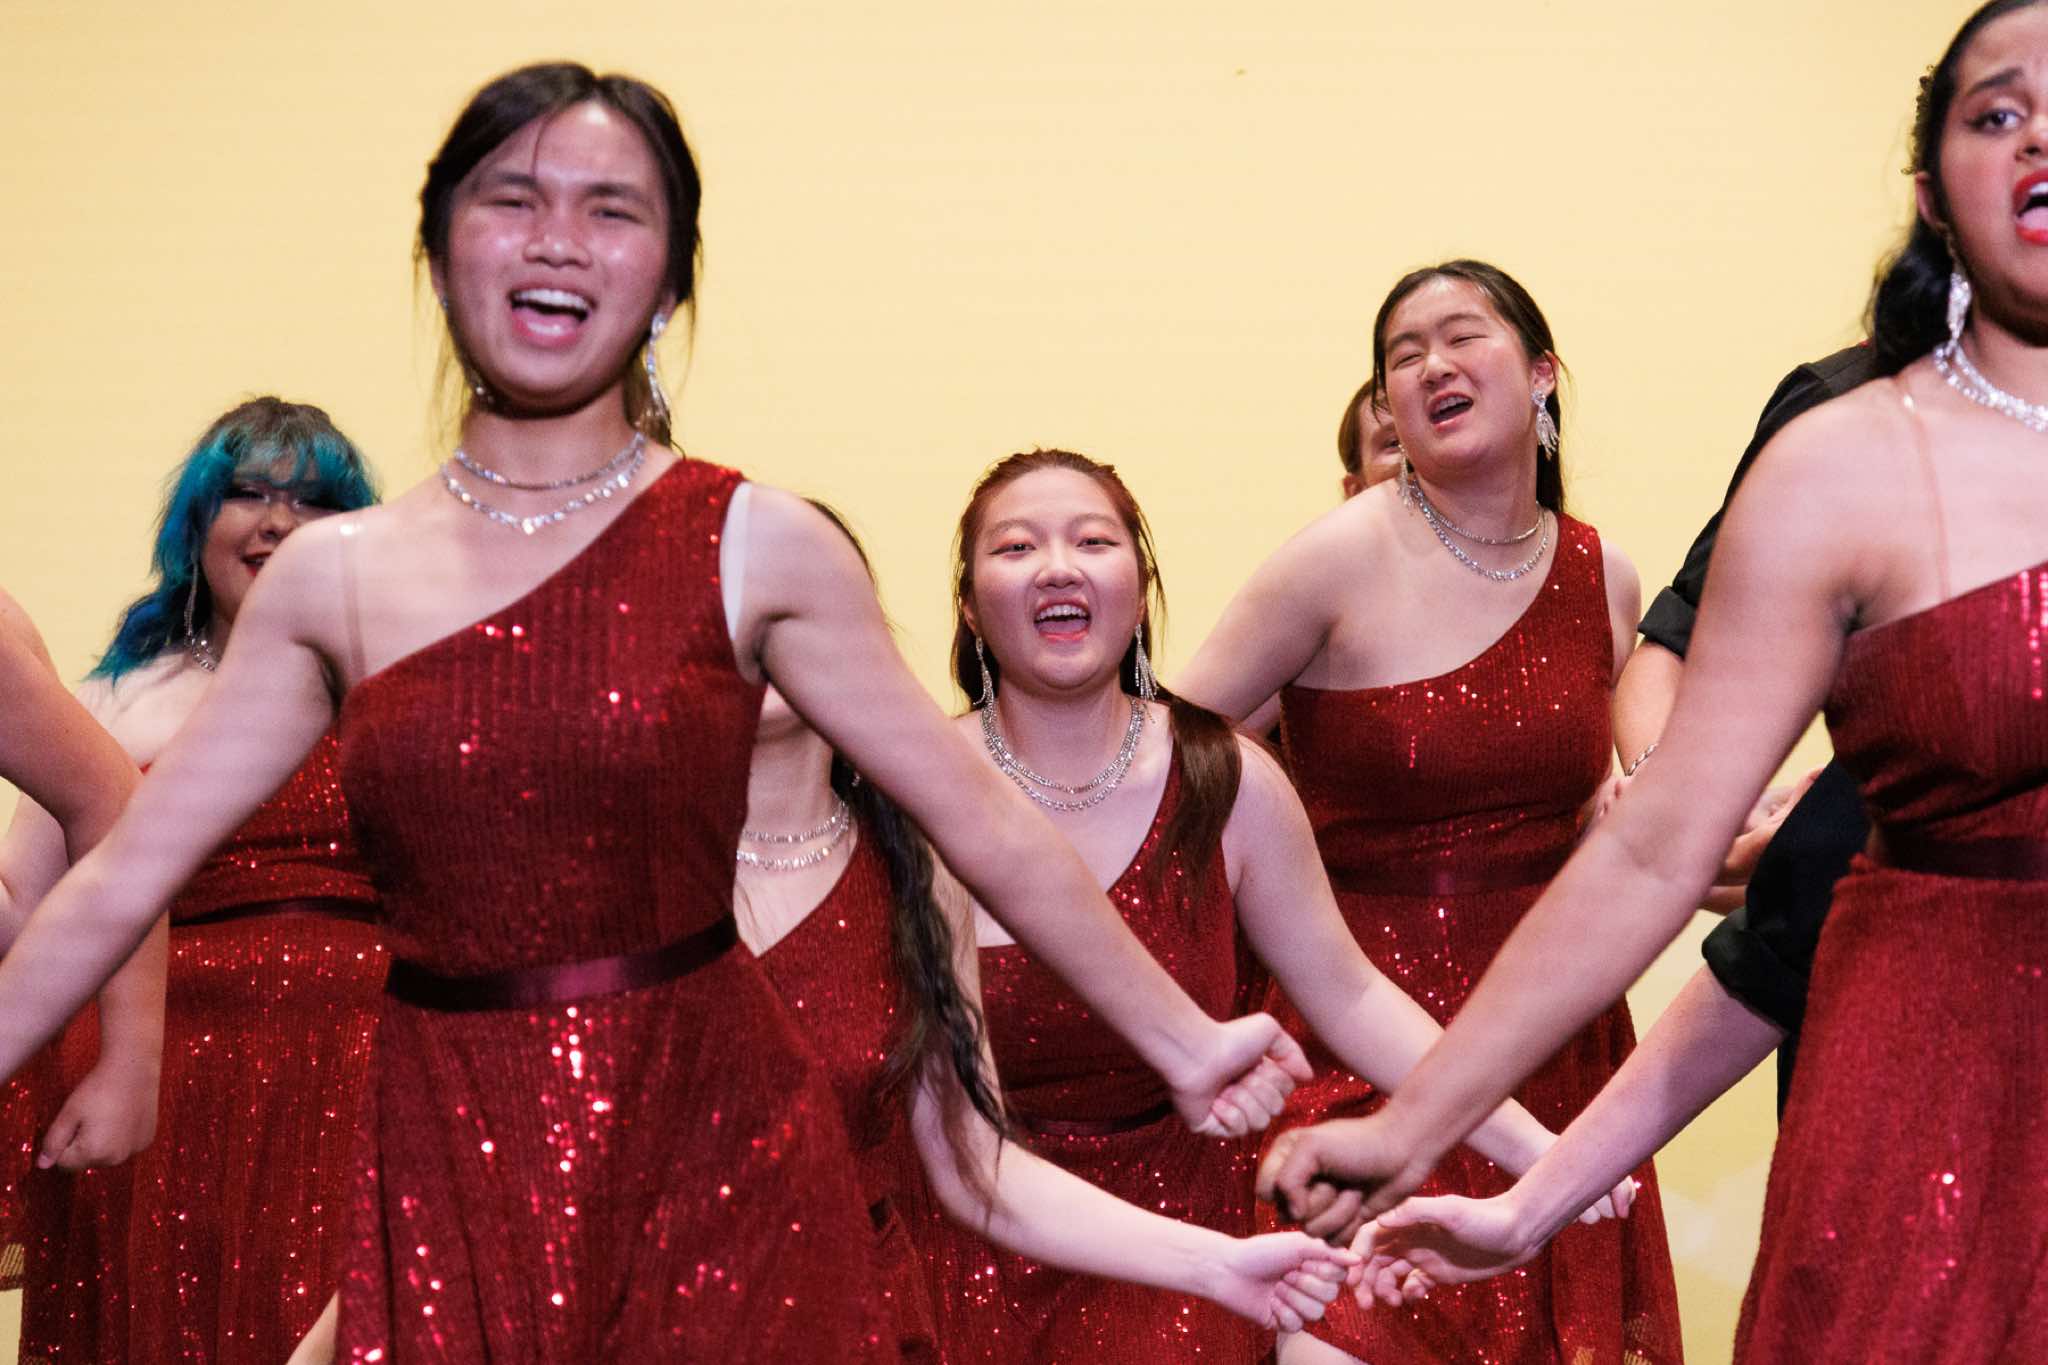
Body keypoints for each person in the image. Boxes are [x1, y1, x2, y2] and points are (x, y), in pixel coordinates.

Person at [0, 63, 1304, 1360]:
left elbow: (986, 825)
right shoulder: (333, 581)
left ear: (671, 279)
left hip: (715, 1156)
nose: (558, 238)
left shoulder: (760, 544)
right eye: (513, 199)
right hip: (449, 1153)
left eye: (612, 208)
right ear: (439, 255)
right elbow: (121, 877)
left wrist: (1184, 1038)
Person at [1266, 5, 2048, 1358]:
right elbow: (1664, 862)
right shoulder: (1840, 463)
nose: (2039, 135)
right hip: (1941, 1104)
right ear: (1931, 190)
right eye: (1997, 112)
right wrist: (1435, 1138)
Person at [919, 449, 1630, 1363]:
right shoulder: (920, 795)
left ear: (1139, 587)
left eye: (1092, 541)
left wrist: (1538, 1150)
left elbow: (1352, 996)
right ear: (970, 606)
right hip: (970, 1253)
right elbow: (950, 1133)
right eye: (1017, 547)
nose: (1058, 566)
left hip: (1199, 1256)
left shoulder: (1227, 781)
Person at [1178, 261, 1681, 1364]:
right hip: (1354, 1044)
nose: (1431, 365)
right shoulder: (1333, 561)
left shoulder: (1603, 576)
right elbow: (1161, 763)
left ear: (1542, 375)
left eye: (1460, 336)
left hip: (1555, 1047)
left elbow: (1599, 809)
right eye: (1402, 356)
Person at [2, 398, 384, 1363]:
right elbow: (23, 906)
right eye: (248, 493)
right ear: (197, 519)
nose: (277, 522)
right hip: (168, 1082)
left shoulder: (402, 691)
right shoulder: (117, 697)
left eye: (312, 500)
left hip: (357, 1077)